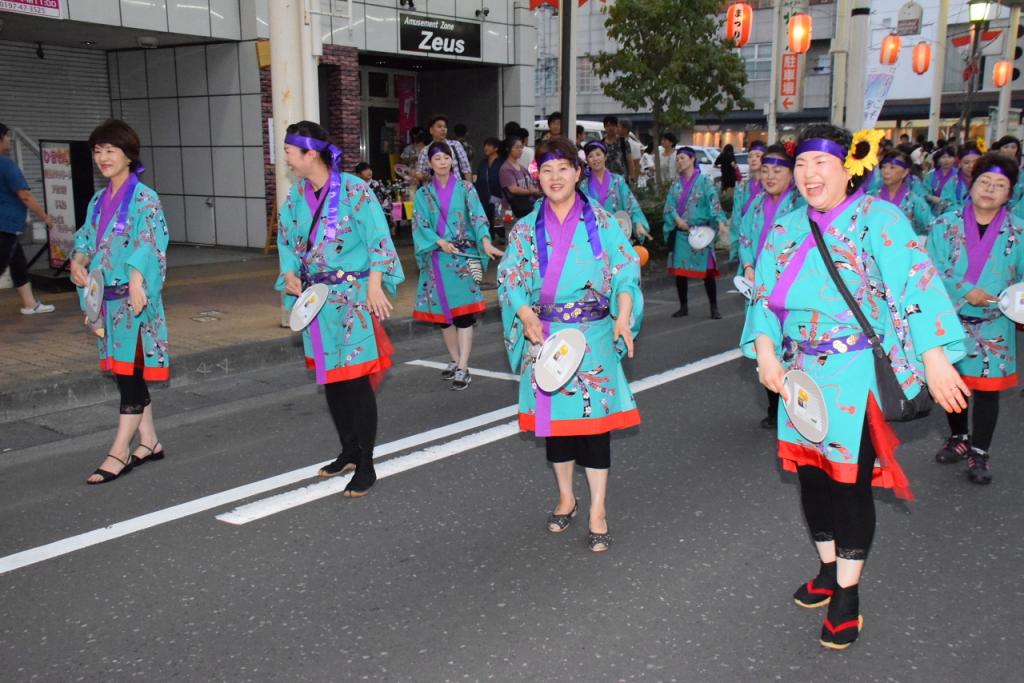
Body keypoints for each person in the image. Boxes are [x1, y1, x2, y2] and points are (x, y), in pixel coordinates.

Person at [741, 123, 968, 650]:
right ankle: (827, 568)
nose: (808, 174)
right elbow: (763, 296)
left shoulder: (879, 219)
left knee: (848, 483)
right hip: (799, 373)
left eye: (821, 163)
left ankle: (847, 594)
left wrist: (935, 357)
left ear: (849, 169)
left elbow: (915, 284)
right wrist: (766, 352)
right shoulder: (786, 227)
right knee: (810, 477)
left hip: (854, 373)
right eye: (801, 164)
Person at [496, 136, 643, 553]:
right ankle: (566, 497)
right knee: (556, 428)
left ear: (578, 173)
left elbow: (625, 271)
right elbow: (510, 277)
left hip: (593, 336)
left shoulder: (603, 222)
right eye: (546, 169)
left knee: (594, 429)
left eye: (563, 168)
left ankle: (598, 509)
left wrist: (624, 315)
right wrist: (525, 315)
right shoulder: (525, 229)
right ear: (537, 176)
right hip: (546, 335)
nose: (555, 177)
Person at [275, 121, 404, 497]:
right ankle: (349, 450)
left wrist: (375, 285)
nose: (286, 159)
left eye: (289, 152)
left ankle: (367, 463)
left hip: (352, 299)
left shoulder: (354, 189)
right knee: (331, 379)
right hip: (316, 303)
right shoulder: (296, 196)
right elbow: (287, 241)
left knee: (355, 380)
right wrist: (289, 273)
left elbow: (378, 238)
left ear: (309, 154)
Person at [68, 119, 171, 484]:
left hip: (133, 304)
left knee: (129, 376)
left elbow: (151, 243)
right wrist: (78, 263)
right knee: (127, 373)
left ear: (129, 154)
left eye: (110, 150)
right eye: (98, 151)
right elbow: (85, 240)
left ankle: (119, 451)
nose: (103, 158)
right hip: (106, 303)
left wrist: (138, 278)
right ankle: (150, 441)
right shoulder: (98, 200)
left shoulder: (145, 198)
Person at [927, 153, 1024, 484]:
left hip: (995, 322)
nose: (990, 189)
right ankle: (958, 437)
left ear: (1009, 193)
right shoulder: (944, 224)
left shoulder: (1019, 231)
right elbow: (930, 266)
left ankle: (980, 452)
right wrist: (966, 289)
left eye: (1000, 185)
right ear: (972, 184)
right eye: (984, 181)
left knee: (987, 390)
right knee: (951, 383)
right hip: (950, 318)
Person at [412, 141, 504, 390]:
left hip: (463, 258)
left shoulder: (466, 188)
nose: (443, 162)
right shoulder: (423, 194)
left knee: (463, 315)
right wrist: (438, 241)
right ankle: (454, 359)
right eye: (437, 158)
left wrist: (485, 241)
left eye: (446, 157)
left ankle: (463, 366)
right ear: (429, 163)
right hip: (437, 258)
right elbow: (420, 224)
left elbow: (478, 217)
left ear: (452, 160)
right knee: (444, 317)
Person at [735, 142, 805, 429]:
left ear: (791, 173)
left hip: (792, 289)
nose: (770, 176)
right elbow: (744, 237)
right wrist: (748, 266)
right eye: (765, 170)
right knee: (766, 346)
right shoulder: (756, 204)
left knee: (795, 349)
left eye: (777, 170)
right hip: (762, 287)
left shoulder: (801, 205)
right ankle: (774, 407)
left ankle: (796, 407)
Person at [662, 146, 728, 319]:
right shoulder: (675, 185)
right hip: (681, 233)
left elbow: (714, 202)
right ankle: (683, 306)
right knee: (680, 271)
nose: (679, 162)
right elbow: (669, 206)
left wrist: (720, 221)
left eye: (682, 158)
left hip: (701, 233)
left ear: (692, 159)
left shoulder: (705, 181)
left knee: (707, 271)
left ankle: (714, 307)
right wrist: (677, 219)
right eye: (677, 159)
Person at [0, 122, 55, 315]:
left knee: (18, 262)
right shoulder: (6, 165)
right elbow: (25, 195)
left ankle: (29, 304)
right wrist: (44, 216)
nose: (9, 140)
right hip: (5, 225)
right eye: (7, 136)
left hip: (7, 227)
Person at [579, 141, 650, 242]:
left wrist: (638, 223)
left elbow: (630, 203)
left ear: (605, 157)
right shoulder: (583, 186)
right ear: (587, 160)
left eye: (598, 154)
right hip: (596, 237)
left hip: (619, 233)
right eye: (591, 156)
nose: (595, 159)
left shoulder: (618, 181)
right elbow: (581, 213)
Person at [868, 150, 935, 235]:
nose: (886, 171)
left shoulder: (914, 201)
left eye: (892, 167)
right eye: (884, 167)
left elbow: (932, 226)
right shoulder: (870, 197)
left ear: (905, 172)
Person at [729, 140, 766, 261]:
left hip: (765, 241)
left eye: (758, 156)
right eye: (750, 156)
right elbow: (736, 217)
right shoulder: (742, 187)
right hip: (745, 241)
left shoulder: (771, 187)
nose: (753, 159)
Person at [415, 114, 472, 183]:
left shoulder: (455, 145)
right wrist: (425, 176)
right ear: (431, 130)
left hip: (456, 187)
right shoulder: (425, 151)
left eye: (445, 127)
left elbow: (466, 169)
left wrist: (469, 188)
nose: (443, 129)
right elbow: (419, 172)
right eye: (439, 126)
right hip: (434, 188)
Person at [500, 135, 541, 219]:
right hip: (512, 210)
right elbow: (513, 189)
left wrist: (536, 191)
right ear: (508, 149)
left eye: (521, 147)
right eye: (516, 147)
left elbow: (530, 184)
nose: (520, 150)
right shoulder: (506, 168)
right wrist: (532, 192)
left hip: (527, 207)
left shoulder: (523, 168)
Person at [473, 137, 505, 236]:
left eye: (489, 145)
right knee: (486, 221)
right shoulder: (483, 162)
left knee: (498, 223)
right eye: (485, 145)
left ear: (496, 148)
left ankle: (501, 239)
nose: (485, 148)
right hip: (484, 197)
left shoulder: (502, 162)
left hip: (498, 197)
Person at [939, 143, 981, 214]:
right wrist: (966, 212)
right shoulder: (953, 182)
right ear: (960, 164)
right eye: (966, 163)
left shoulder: (987, 181)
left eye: (975, 162)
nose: (971, 166)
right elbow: (945, 205)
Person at [354, 161, 394, 233]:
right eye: (365, 170)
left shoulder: (377, 184)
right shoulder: (355, 187)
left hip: (379, 216)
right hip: (363, 219)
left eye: (369, 169)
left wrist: (381, 211)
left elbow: (387, 199)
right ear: (358, 174)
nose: (369, 172)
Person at [923, 146, 958, 215]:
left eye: (950, 157)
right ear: (938, 159)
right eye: (943, 157)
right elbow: (924, 191)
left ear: (954, 159)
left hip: (953, 210)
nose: (946, 160)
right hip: (933, 208)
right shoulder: (931, 175)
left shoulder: (958, 175)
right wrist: (931, 198)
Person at [618, 118, 642, 184]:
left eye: (618, 126)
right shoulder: (613, 143)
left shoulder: (634, 145)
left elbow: (636, 165)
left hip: (626, 179)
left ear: (625, 129)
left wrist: (634, 181)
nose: (616, 128)